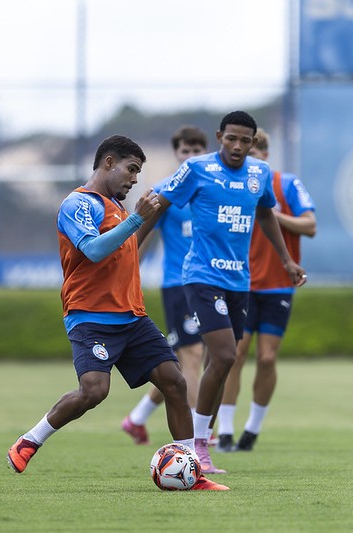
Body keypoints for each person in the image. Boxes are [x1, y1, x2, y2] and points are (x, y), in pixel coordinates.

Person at [6, 134, 228, 491]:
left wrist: (150, 217)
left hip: (132, 317)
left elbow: (127, 250)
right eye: (131, 169)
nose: (134, 179)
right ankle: (30, 440)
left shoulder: (119, 211)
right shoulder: (79, 204)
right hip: (91, 315)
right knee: (94, 391)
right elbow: (94, 250)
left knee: (174, 381)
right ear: (108, 163)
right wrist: (136, 219)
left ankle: (193, 474)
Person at [136, 111, 307, 475]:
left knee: (220, 361)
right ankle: (199, 445)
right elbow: (159, 203)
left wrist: (287, 260)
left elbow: (265, 215)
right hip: (201, 276)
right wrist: (131, 250)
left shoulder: (259, 174)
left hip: (239, 282)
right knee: (227, 355)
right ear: (220, 136)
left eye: (246, 140)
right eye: (232, 138)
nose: (238, 146)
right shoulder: (197, 169)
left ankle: (199, 445)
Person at [216, 127, 317, 452]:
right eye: (247, 149)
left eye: (257, 150)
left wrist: (274, 215)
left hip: (276, 288)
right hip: (240, 283)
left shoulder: (286, 184)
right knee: (235, 356)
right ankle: (227, 431)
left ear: (266, 155)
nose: (251, 155)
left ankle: (252, 430)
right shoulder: (231, 184)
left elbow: (311, 225)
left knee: (268, 358)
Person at [121, 126, 209, 446]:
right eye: (185, 150)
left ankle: (137, 418)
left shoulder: (212, 189)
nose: (191, 155)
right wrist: (127, 274)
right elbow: (142, 237)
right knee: (192, 358)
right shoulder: (165, 190)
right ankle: (199, 442)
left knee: (182, 364)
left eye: (197, 149)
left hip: (212, 283)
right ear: (177, 153)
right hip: (179, 284)